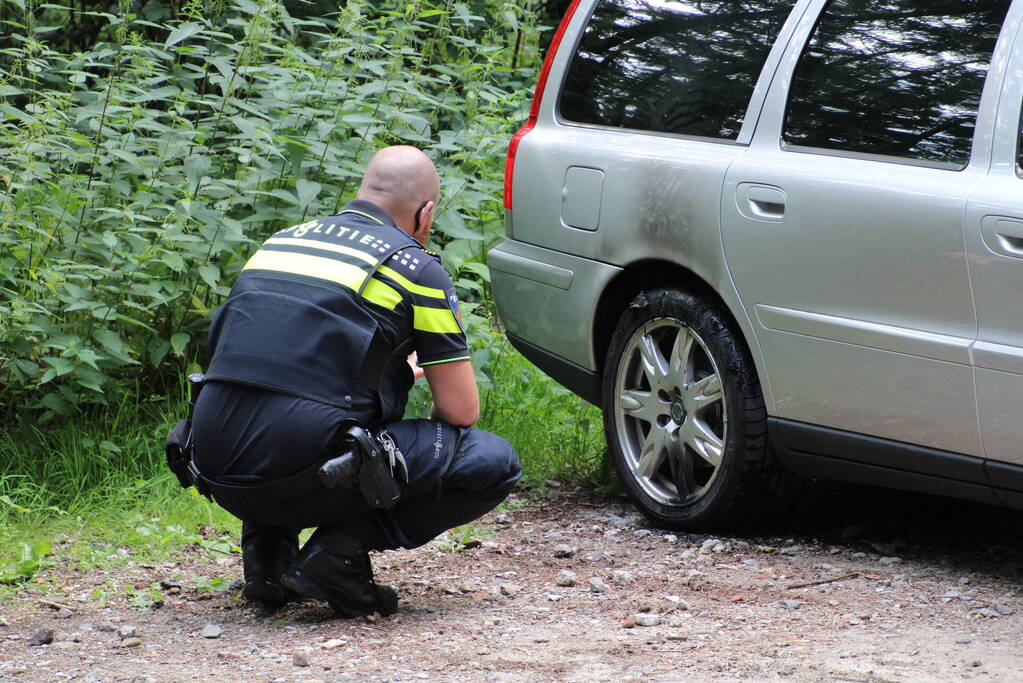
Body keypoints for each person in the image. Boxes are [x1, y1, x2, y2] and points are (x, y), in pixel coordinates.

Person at [186, 146, 521, 618]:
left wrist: (391, 371)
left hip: (214, 463)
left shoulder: (280, 243)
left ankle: (267, 553)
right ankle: (338, 554)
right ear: (426, 214)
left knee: (290, 414)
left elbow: (266, 363)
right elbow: (460, 411)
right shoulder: (416, 268)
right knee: (492, 461)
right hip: (307, 471)